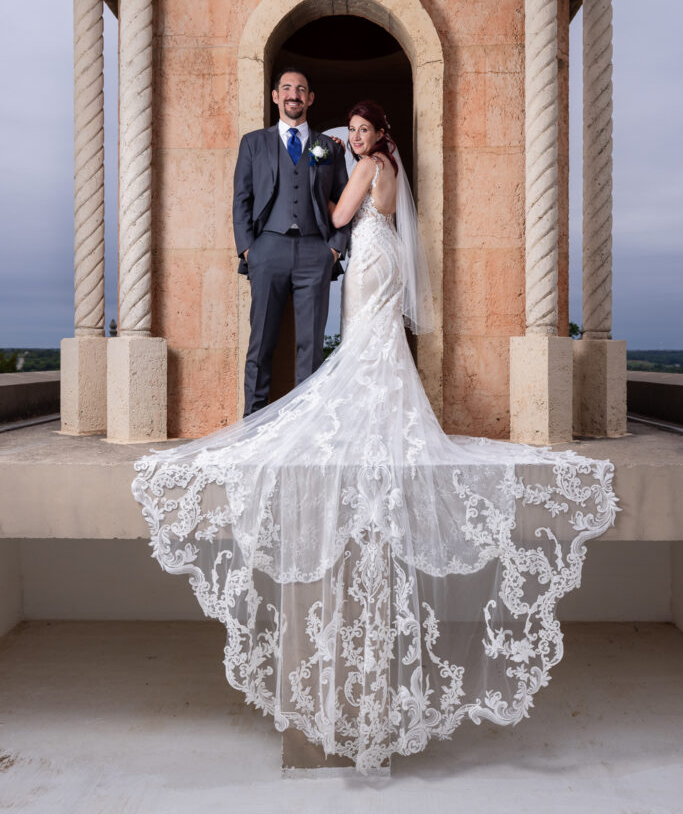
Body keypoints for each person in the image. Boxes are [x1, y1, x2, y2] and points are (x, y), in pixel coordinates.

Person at [132, 100, 618, 775]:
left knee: (363, 344)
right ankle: (382, 416)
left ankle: (365, 418)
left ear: (377, 134)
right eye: (350, 132)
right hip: (383, 251)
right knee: (378, 346)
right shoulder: (388, 164)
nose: (356, 139)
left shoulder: (365, 166)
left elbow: (334, 218)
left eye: (361, 131)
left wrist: (331, 173)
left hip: (364, 255)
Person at [232, 68, 350, 415]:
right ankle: (252, 423)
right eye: (286, 88)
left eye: (301, 89)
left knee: (310, 347)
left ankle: (304, 428)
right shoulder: (254, 143)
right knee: (260, 345)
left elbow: (343, 199)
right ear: (275, 96)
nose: (293, 94)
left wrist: (334, 248)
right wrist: (248, 249)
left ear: (310, 98)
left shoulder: (327, 146)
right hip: (267, 249)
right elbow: (241, 198)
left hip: (316, 251)